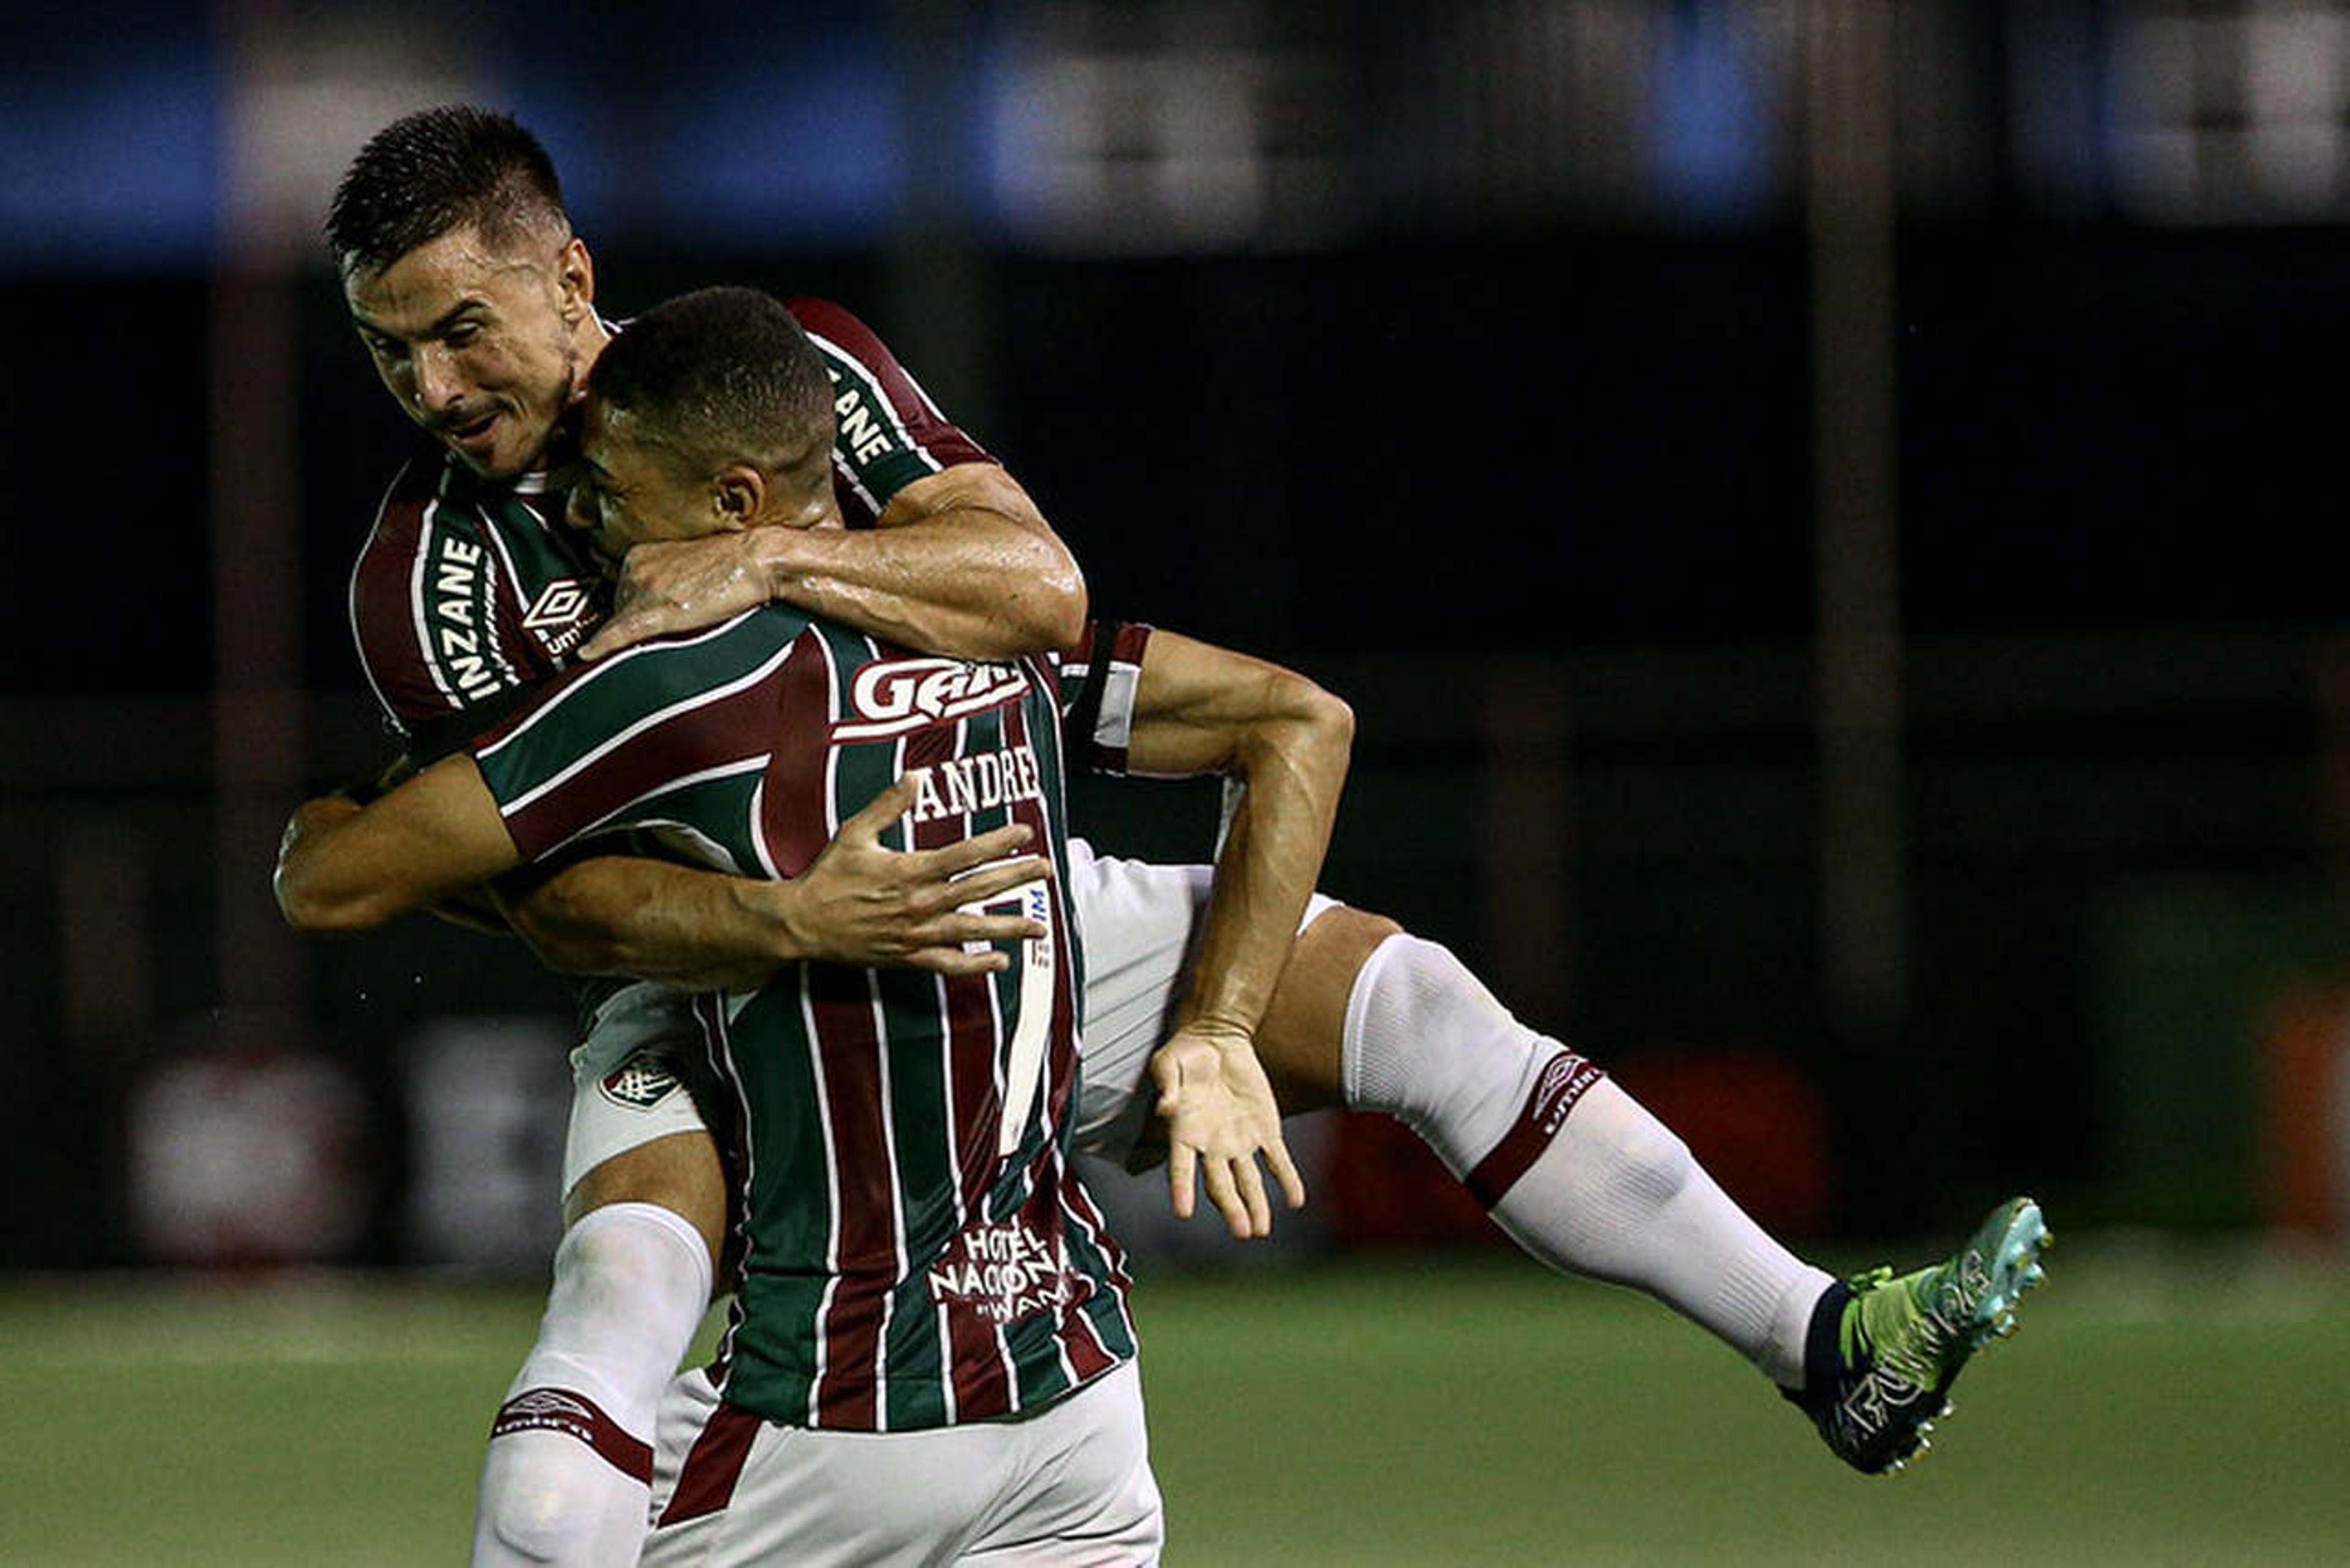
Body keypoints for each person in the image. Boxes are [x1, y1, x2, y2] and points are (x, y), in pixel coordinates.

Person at [322, 104, 2047, 1563]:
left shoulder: (793, 374)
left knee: (1420, 1004)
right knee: (604, 1341)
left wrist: (774, 564)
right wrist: (791, 924)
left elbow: (1038, 589)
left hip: (1000, 900)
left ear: (570, 276)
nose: (430, 379)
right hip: (719, 998)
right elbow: (546, 903)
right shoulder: (423, 581)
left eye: (460, 324)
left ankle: (1822, 1342)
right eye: (390, 346)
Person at [282, 283, 1359, 1562]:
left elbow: (336, 883)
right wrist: (1221, 1024)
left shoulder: (681, 685)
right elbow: (1293, 714)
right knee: (1438, 1022)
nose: (588, 525)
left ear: (734, 505)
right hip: (1081, 1396)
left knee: (555, 1515)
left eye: (613, 496)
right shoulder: (1012, 658)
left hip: (842, 1399)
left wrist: (328, 815)